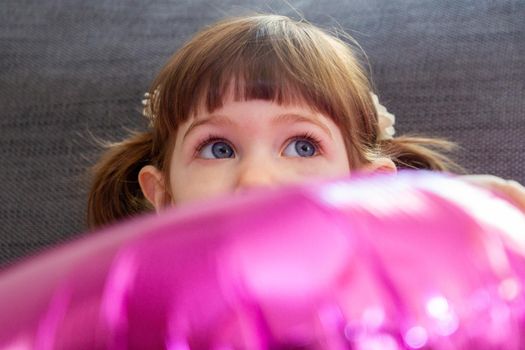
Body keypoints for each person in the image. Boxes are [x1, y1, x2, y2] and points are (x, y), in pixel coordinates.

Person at [87, 14, 525, 229]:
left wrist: (470, 220)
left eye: (302, 145)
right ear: (163, 198)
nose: (256, 180)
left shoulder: (392, 290)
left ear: (367, 188)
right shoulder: (137, 305)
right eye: (219, 148)